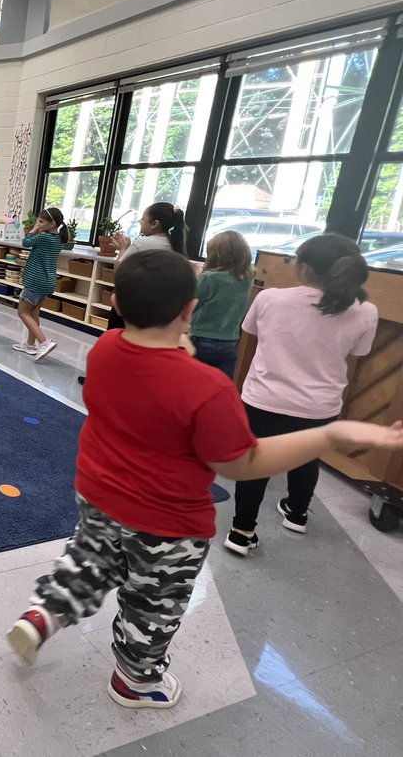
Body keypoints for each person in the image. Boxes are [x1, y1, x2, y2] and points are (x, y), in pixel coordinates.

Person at [6, 249, 402, 709]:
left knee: (90, 561)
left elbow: (150, 376)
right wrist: (327, 435)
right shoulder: (208, 388)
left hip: (98, 495)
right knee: (153, 602)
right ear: (190, 310)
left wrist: (178, 351)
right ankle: (134, 682)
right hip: (166, 521)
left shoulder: (105, 348)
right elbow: (241, 464)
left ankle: (44, 614)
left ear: (114, 303)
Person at [225, 234, 379, 556]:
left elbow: (250, 332)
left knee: (256, 463)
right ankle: (297, 514)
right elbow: (357, 353)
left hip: (264, 398)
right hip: (319, 405)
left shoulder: (270, 298)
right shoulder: (365, 311)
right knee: (308, 458)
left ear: (306, 267)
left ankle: (241, 532)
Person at [78, 201, 186, 384]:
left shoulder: (144, 243)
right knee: (137, 344)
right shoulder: (174, 245)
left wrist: (122, 249)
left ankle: (100, 379)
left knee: (114, 340)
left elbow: (120, 271)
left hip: (131, 302)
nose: (140, 222)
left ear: (155, 224)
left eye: (143, 219)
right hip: (155, 306)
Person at [190, 230, 254, 379]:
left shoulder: (209, 278)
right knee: (220, 381)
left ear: (215, 255)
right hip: (230, 341)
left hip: (202, 338)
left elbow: (190, 305)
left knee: (194, 380)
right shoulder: (247, 279)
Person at [14, 207, 67, 359]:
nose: (38, 223)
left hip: (35, 281)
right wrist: (39, 227)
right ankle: (30, 345)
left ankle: (44, 342)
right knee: (34, 312)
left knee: (23, 312)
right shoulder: (58, 239)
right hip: (47, 281)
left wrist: (34, 229)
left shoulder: (44, 237)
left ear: (52, 224)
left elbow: (26, 242)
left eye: (41, 221)